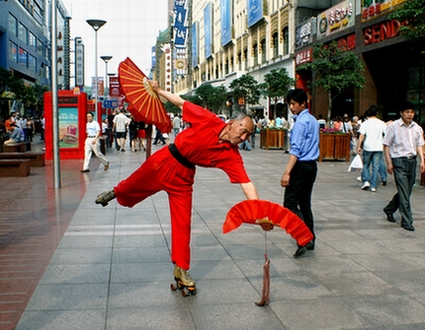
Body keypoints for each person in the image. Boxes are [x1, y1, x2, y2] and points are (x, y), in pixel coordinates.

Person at [95, 80, 260, 289]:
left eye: (248, 135)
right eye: (243, 131)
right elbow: (182, 104)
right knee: (132, 185)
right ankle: (115, 192)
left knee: (183, 223)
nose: (243, 137)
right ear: (232, 123)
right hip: (164, 161)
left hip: (183, 177)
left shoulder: (231, 156)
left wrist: (259, 210)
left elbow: (246, 183)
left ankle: (181, 268)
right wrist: (159, 91)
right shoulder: (209, 120)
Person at [280, 88, 319, 257]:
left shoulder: (301, 123)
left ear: (303, 103)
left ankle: (304, 236)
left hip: (301, 166)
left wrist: (287, 172)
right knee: (305, 204)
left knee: (290, 204)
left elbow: (295, 149)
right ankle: (310, 239)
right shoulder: (313, 120)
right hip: (311, 166)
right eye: (290, 104)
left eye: (294, 104)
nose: (291, 107)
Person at [383, 101, 424, 231]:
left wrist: (422, 160)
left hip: (412, 161)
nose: (410, 115)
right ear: (401, 113)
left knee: (407, 190)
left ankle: (389, 209)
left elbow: (419, 144)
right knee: (404, 192)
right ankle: (407, 220)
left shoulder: (416, 127)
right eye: (407, 112)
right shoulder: (393, 127)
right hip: (399, 161)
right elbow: (386, 145)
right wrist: (389, 162)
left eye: (412, 112)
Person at [357, 105, 387, 192]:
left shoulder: (365, 123)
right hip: (378, 147)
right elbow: (386, 134)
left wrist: (359, 146)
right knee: (375, 167)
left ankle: (366, 181)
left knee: (366, 165)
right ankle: (373, 186)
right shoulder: (382, 123)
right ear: (377, 113)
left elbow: (361, 135)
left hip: (368, 146)